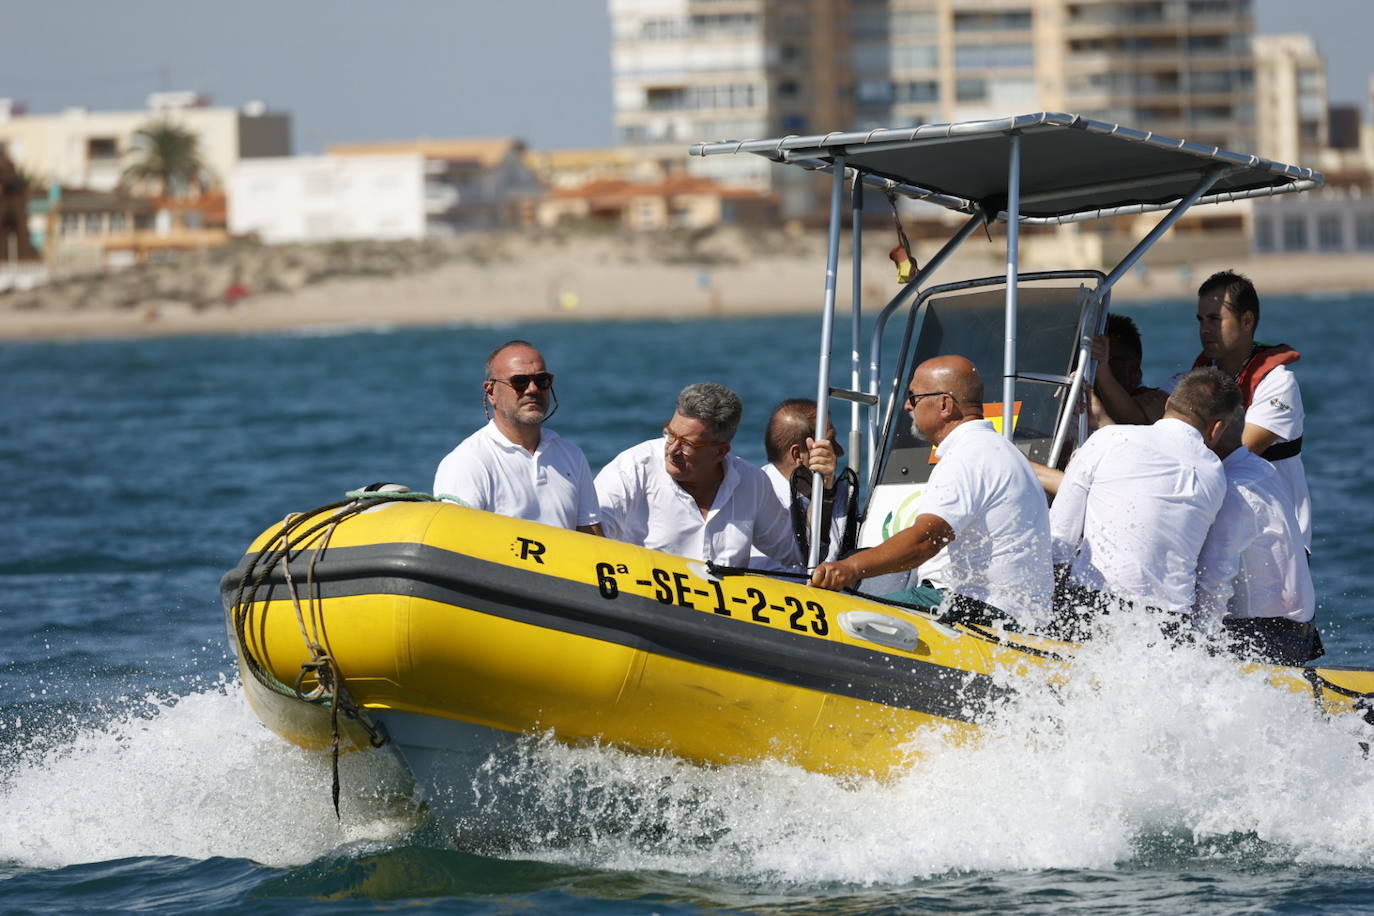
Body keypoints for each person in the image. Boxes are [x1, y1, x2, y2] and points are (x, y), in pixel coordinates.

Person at [809, 356, 1053, 631]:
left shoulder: (966, 456)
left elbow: (926, 540)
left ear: (945, 405)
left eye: (913, 397)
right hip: (1015, 615)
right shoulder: (999, 449)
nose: (906, 405)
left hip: (974, 609)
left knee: (835, 618)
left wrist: (849, 569)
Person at [1049, 367, 1237, 628]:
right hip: (1170, 622)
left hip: (1095, 606)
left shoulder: (1110, 439)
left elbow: (1060, 535)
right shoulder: (1214, 472)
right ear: (1216, 428)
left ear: (1169, 403)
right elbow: (1215, 572)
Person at [595, 382, 799, 568]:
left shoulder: (753, 483)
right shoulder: (632, 468)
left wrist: (821, 487)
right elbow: (589, 534)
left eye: (687, 444)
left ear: (720, 452)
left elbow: (793, 552)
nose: (672, 449)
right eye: (670, 434)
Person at [1189, 270, 1311, 550]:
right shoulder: (1199, 377)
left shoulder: (1279, 383)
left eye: (1215, 319)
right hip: (1225, 537)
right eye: (1201, 320)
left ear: (1247, 321)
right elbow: (1145, 418)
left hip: (1277, 540)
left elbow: (1243, 450)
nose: (1204, 329)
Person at [433, 339, 602, 534]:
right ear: (491, 392)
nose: (533, 389)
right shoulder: (468, 461)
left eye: (542, 380)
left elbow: (592, 540)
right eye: (519, 382)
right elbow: (455, 545)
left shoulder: (572, 456)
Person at [1195, 406, 1321, 665]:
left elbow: (1214, 580)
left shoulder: (1233, 490)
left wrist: (1194, 644)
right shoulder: (1260, 468)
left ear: (1212, 432)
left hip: (1268, 638)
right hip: (1297, 632)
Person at [748, 398, 850, 571]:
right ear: (798, 455)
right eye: (830, 442)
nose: (839, 451)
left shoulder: (837, 490)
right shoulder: (757, 498)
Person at [1091, 313, 1169, 425]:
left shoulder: (1155, 405)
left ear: (1133, 369)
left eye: (1105, 359)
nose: (1093, 368)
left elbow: (1130, 419)